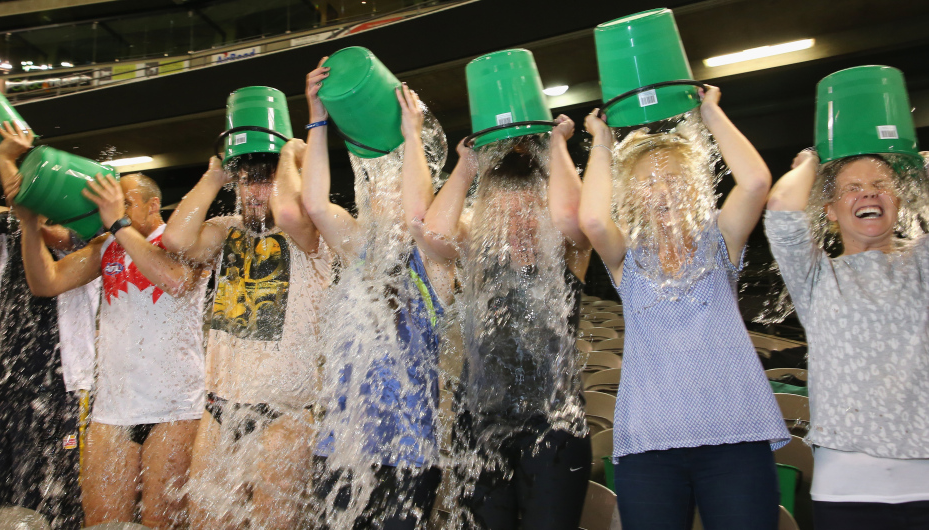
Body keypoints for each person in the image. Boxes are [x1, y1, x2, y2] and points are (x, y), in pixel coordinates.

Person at [578, 86, 789, 530]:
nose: (664, 191)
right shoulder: (627, 258)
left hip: (736, 436)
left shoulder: (720, 240)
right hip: (651, 445)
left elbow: (754, 182)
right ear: (633, 198)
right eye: (649, 183)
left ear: (696, 187)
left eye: (676, 180)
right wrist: (600, 143)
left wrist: (710, 114)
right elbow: (595, 220)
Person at [7, 142, 205, 527]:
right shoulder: (106, 246)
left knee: (160, 523)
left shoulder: (184, 241)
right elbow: (45, 282)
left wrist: (118, 225)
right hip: (112, 411)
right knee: (99, 523)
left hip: (175, 410)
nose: (111, 209)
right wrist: (29, 224)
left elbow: (175, 281)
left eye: (123, 202)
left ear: (153, 206)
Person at [412, 110, 593, 529]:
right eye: (505, 214)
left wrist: (557, 148)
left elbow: (574, 215)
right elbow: (433, 234)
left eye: (529, 210)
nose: (519, 224)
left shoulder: (568, 250)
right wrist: (467, 166)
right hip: (478, 427)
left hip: (554, 428)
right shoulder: (477, 254)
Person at [301, 59, 453, 530]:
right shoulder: (357, 245)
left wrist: (411, 135)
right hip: (340, 445)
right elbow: (313, 203)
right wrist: (317, 119)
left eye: (393, 182)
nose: (377, 192)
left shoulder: (434, 259)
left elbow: (415, 215)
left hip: (408, 449)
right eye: (374, 182)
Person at [164, 138, 332, 529]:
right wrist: (214, 176)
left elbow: (290, 212)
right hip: (221, 407)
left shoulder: (312, 236)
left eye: (266, 182)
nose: (254, 193)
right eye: (246, 182)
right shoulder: (226, 230)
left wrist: (289, 154)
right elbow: (175, 241)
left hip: (285, 412)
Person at [766, 149, 929, 530]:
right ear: (831, 210)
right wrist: (812, 160)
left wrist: (918, 169)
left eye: (880, 186)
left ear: (899, 202)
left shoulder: (922, 264)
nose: (868, 194)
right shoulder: (817, 277)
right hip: (844, 491)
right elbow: (780, 207)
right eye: (852, 188)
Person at [0, 123, 84, 530]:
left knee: (50, 493)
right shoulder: (13, 229)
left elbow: (56, 235)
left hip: (59, 383)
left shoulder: (85, 232)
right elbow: (11, 218)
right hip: (4, 379)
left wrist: (6, 159)